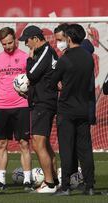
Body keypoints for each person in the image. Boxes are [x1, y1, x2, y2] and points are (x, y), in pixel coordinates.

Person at [50, 24, 95, 196]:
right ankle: (90, 186)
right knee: (85, 149)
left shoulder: (65, 59)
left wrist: (61, 84)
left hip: (67, 109)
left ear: (69, 38)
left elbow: (53, 82)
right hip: (84, 108)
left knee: (67, 148)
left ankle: (66, 186)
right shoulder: (88, 57)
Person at [0, 27, 32, 192]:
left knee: (24, 143)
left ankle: (27, 181)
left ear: (15, 39)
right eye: (4, 44)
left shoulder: (25, 58)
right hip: (2, 107)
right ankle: (1, 181)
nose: (8, 46)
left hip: (21, 106)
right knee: (1, 144)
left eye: (10, 42)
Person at [18, 25, 59, 193]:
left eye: (27, 41)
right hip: (41, 101)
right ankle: (54, 180)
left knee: (38, 143)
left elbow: (32, 74)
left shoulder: (45, 52)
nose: (26, 44)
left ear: (35, 38)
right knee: (43, 143)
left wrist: (29, 58)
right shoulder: (44, 52)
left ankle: (49, 184)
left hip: (44, 103)